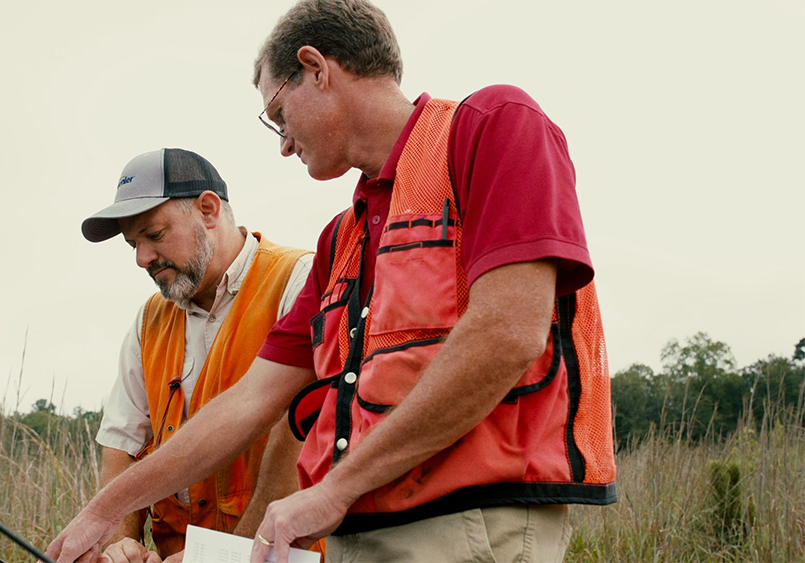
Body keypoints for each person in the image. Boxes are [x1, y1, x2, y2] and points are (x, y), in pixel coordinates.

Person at [45, 2, 616, 562]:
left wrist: (333, 490)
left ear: (317, 69)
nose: (284, 142)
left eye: (278, 113)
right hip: (350, 532)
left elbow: (508, 336)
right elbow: (251, 401)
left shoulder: (492, 126)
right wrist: (101, 512)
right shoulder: (341, 240)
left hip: (466, 526)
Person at [79, 148, 314, 563]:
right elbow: (123, 441)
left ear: (208, 209)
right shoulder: (148, 320)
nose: (141, 259)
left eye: (153, 235)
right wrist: (120, 542)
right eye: (133, 244)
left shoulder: (300, 281)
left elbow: (304, 439)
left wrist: (231, 558)